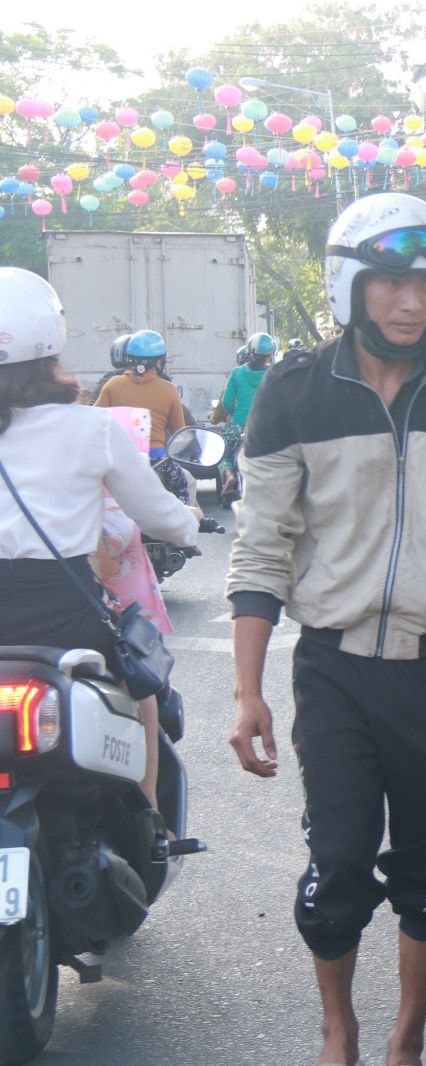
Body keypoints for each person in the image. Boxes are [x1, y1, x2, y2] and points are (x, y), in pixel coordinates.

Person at [225, 193, 426, 1066]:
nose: (412, 302)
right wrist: (247, 694)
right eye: (391, 281)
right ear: (351, 283)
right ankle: (339, 1030)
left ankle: (406, 1039)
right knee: (339, 865)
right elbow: (260, 554)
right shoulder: (294, 393)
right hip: (336, 670)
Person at [0, 268, 199, 809]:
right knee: (144, 691)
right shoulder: (90, 428)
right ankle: (150, 819)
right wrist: (190, 523)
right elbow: (160, 515)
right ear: (50, 349)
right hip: (65, 616)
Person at [96, 329, 187, 456]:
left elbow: (96, 422)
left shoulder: (112, 384)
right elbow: (180, 433)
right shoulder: (169, 389)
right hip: (156, 460)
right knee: (186, 477)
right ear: (159, 362)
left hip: (118, 458)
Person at [215, 331, 276, 500]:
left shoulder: (236, 373)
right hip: (263, 428)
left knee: (223, 455)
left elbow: (226, 402)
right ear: (270, 355)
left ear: (250, 352)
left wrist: (235, 414)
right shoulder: (274, 373)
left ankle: (229, 476)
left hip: (237, 426)